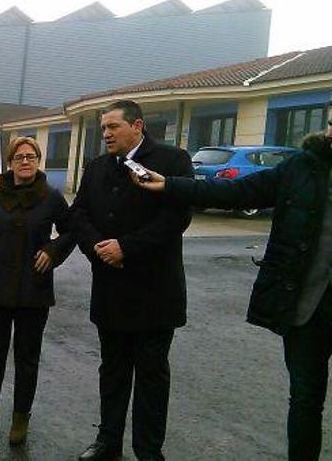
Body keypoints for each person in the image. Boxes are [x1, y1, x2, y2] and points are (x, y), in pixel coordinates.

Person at [132, 117, 332, 461]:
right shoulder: (302, 167)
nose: (330, 130)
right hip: (306, 307)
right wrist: (171, 185)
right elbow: (238, 192)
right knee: (305, 399)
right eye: (330, 122)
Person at [70, 100, 193, 461]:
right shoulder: (95, 168)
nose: (105, 134)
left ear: (137, 126)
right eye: (103, 128)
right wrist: (99, 248)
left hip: (155, 291)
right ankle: (108, 442)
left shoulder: (173, 161)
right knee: (112, 371)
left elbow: (176, 218)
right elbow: (78, 215)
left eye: (113, 127)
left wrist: (127, 247)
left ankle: (148, 450)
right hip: (110, 288)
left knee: (152, 376)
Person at [0, 136, 76, 445]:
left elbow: (71, 230)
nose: (25, 161)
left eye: (30, 156)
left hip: (33, 290)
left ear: (38, 160)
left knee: (27, 358)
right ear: (10, 162)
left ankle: (20, 419)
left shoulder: (51, 197)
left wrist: (53, 251)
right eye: (19, 157)